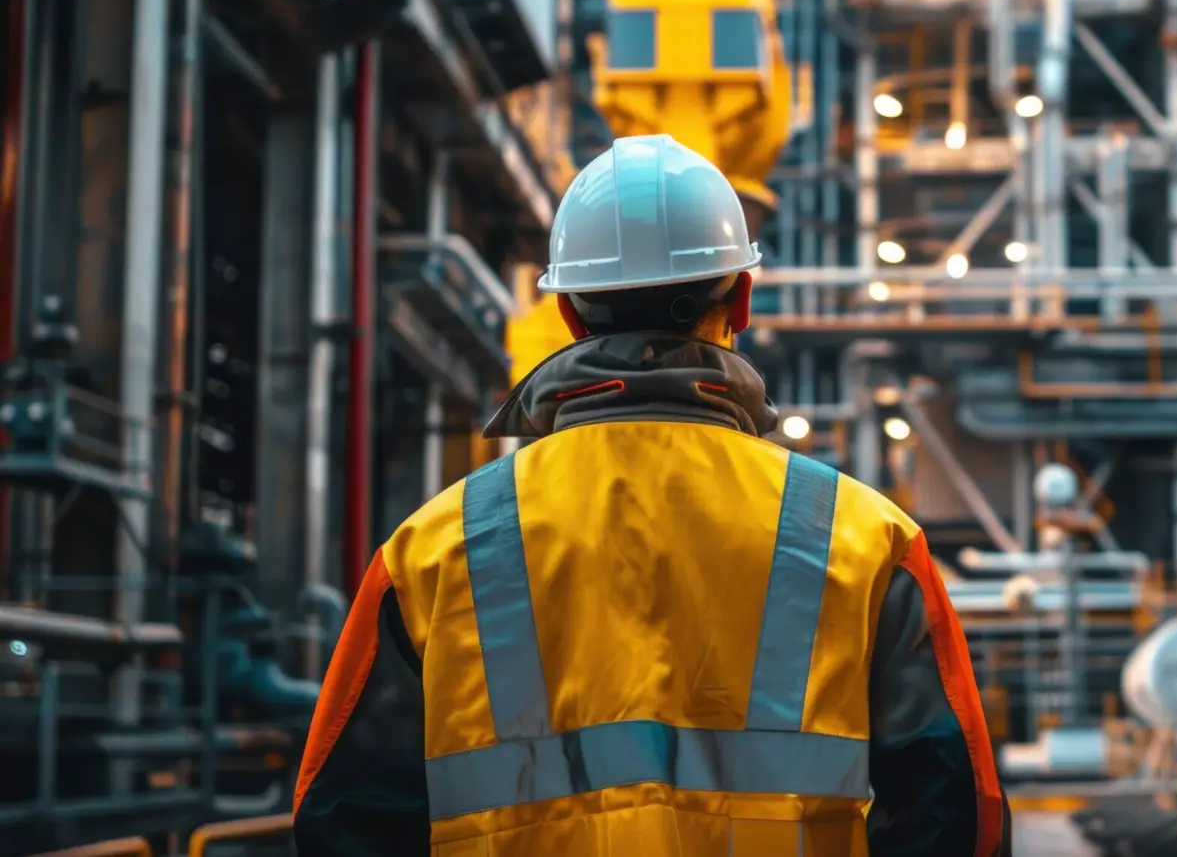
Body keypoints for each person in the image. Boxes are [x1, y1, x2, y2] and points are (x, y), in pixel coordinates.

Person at [291, 135, 1010, 856]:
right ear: (742, 299)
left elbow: (342, 820)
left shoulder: (432, 552)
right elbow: (957, 816)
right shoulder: (867, 540)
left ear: (569, 314)